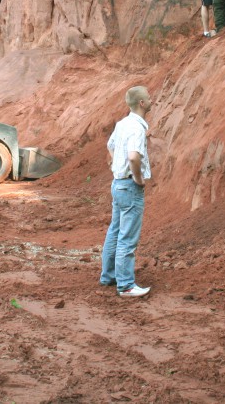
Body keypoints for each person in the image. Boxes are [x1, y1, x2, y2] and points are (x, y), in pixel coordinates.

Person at [100, 86, 153, 298]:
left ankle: (108, 276)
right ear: (142, 103)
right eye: (148, 98)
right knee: (127, 238)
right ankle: (126, 285)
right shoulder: (137, 129)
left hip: (117, 184)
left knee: (114, 231)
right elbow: (133, 157)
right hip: (130, 186)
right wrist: (138, 179)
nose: (151, 100)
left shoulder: (123, 124)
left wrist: (116, 164)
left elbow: (110, 145)